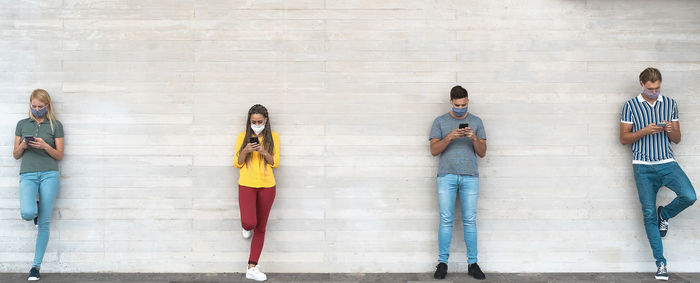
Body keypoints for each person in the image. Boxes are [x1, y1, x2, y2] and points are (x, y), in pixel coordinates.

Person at [619, 67, 696, 281]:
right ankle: (661, 264)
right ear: (642, 84)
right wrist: (645, 131)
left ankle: (666, 214)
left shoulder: (670, 104)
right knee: (648, 215)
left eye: (658, 88)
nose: (655, 91)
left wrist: (670, 129)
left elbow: (677, 139)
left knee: (689, 196)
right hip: (642, 167)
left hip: (667, 163)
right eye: (651, 88)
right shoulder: (630, 106)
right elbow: (623, 139)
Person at [429, 85, 487, 280]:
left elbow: (482, 152)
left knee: (469, 221)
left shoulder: (477, 122)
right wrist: (449, 137)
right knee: (446, 220)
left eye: (463, 104)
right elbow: (434, 150)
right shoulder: (440, 121)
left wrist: (474, 138)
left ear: (468, 101)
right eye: (457, 105)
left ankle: (473, 263)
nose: (460, 108)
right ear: (451, 102)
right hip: (447, 177)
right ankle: (442, 263)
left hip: (470, 177)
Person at [13, 89, 65, 281]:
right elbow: (16, 155)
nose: (36, 109)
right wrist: (23, 146)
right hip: (28, 174)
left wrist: (45, 146)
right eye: (34, 106)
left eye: (40, 107)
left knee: (43, 223)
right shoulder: (21, 124)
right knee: (28, 213)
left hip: (49, 174)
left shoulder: (56, 126)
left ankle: (35, 267)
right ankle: (35, 208)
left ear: (47, 106)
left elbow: (59, 155)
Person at [234, 104, 280, 282]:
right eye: (253, 121)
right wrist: (246, 150)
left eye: (260, 121)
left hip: (268, 186)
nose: (257, 124)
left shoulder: (273, 137)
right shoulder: (242, 137)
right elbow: (237, 163)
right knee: (250, 222)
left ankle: (252, 267)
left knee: (261, 227)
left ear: (266, 121)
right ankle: (245, 226)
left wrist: (263, 151)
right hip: (246, 184)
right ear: (249, 121)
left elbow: (275, 162)